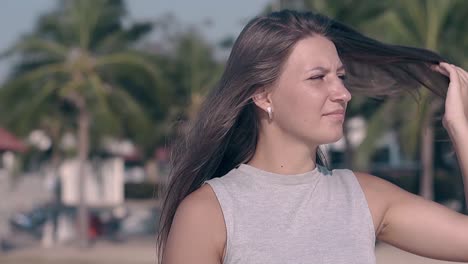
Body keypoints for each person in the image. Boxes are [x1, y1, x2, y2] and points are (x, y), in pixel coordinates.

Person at [157, 10, 468, 264]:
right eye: (318, 78)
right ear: (264, 95)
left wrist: (460, 127)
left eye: (341, 77)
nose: (343, 93)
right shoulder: (208, 213)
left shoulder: (365, 197)